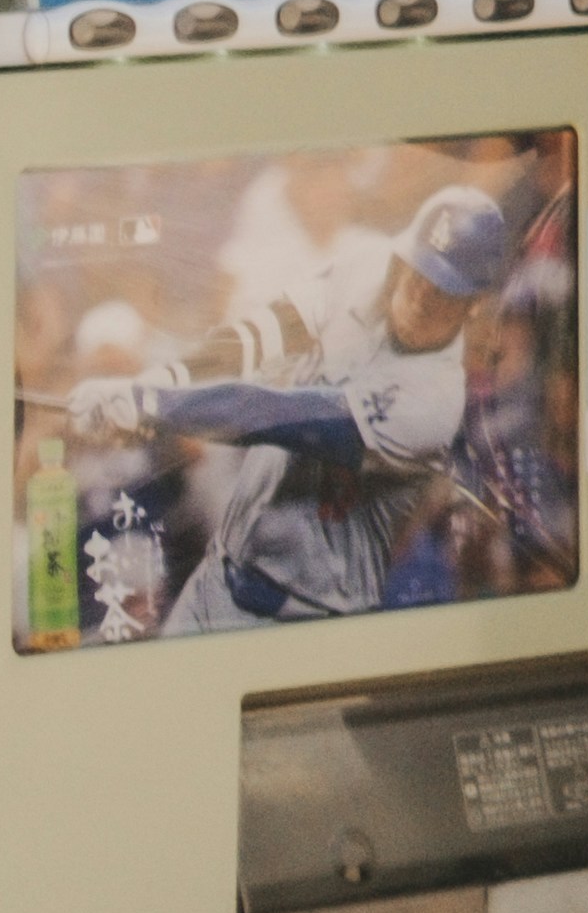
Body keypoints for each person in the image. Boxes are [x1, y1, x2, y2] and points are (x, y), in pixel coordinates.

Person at [72, 180, 524, 630]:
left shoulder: (432, 403)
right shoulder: (367, 267)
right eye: (419, 271)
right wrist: (161, 381)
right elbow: (260, 335)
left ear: (474, 306)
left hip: (309, 619)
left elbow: (271, 415)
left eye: (444, 291)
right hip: (216, 581)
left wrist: (152, 404)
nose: (422, 295)